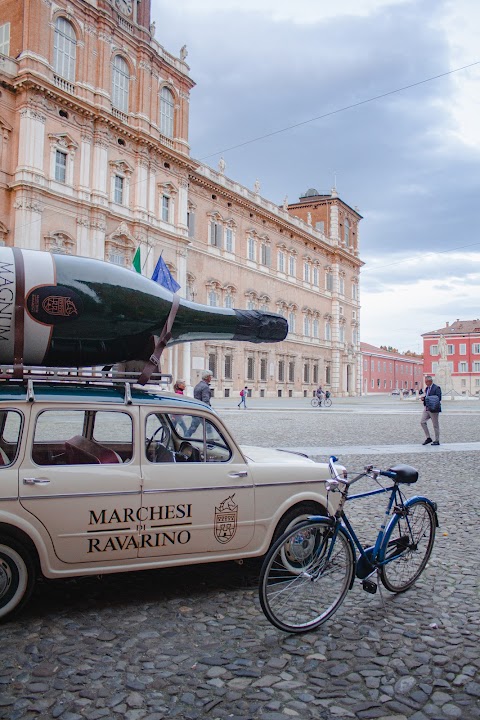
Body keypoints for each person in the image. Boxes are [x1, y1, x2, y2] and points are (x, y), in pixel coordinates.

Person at [186, 371, 212, 437]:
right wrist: (208, 411)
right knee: (208, 428)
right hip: (202, 411)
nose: (211, 378)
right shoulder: (205, 387)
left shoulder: (198, 385)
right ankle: (211, 442)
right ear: (207, 377)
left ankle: (186, 437)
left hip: (196, 409)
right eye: (210, 376)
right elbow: (205, 401)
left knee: (192, 428)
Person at [420, 375, 442, 446]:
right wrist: (424, 398)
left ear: (430, 381)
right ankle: (428, 437)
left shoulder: (437, 388)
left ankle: (437, 440)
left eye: (426, 382)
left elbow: (439, 398)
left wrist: (428, 398)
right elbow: (427, 396)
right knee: (422, 422)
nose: (426, 383)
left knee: (435, 425)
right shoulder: (426, 388)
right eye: (425, 382)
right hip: (427, 408)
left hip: (434, 409)